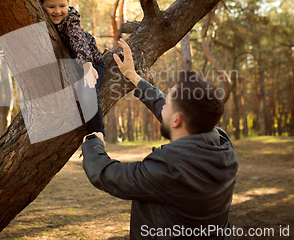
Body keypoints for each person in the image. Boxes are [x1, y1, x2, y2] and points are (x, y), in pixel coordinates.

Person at [81, 38, 238, 240]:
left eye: (168, 103)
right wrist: (133, 77)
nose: (163, 104)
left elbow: (104, 173)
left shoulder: (169, 170)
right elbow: (166, 105)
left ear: (176, 120)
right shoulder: (222, 145)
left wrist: (94, 139)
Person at [38, 0, 105, 136]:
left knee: (87, 90)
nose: (57, 11)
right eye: (51, 7)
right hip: (70, 66)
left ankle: (97, 134)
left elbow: (78, 41)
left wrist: (87, 66)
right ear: (40, 6)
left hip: (92, 63)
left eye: (62, 6)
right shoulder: (40, 23)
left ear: (68, 2)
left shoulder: (70, 20)